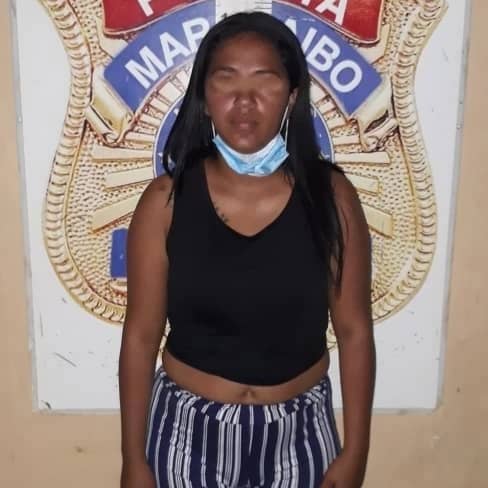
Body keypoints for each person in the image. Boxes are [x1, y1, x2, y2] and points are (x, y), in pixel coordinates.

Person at [119, 11, 375, 488]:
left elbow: (355, 331)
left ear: (292, 95)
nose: (244, 101)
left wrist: (356, 452)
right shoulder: (165, 202)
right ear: (204, 95)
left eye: (265, 79)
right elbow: (139, 337)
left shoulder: (332, 197)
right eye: (226, 79)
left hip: (300, 437)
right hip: (186, 438)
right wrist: (133, 459)